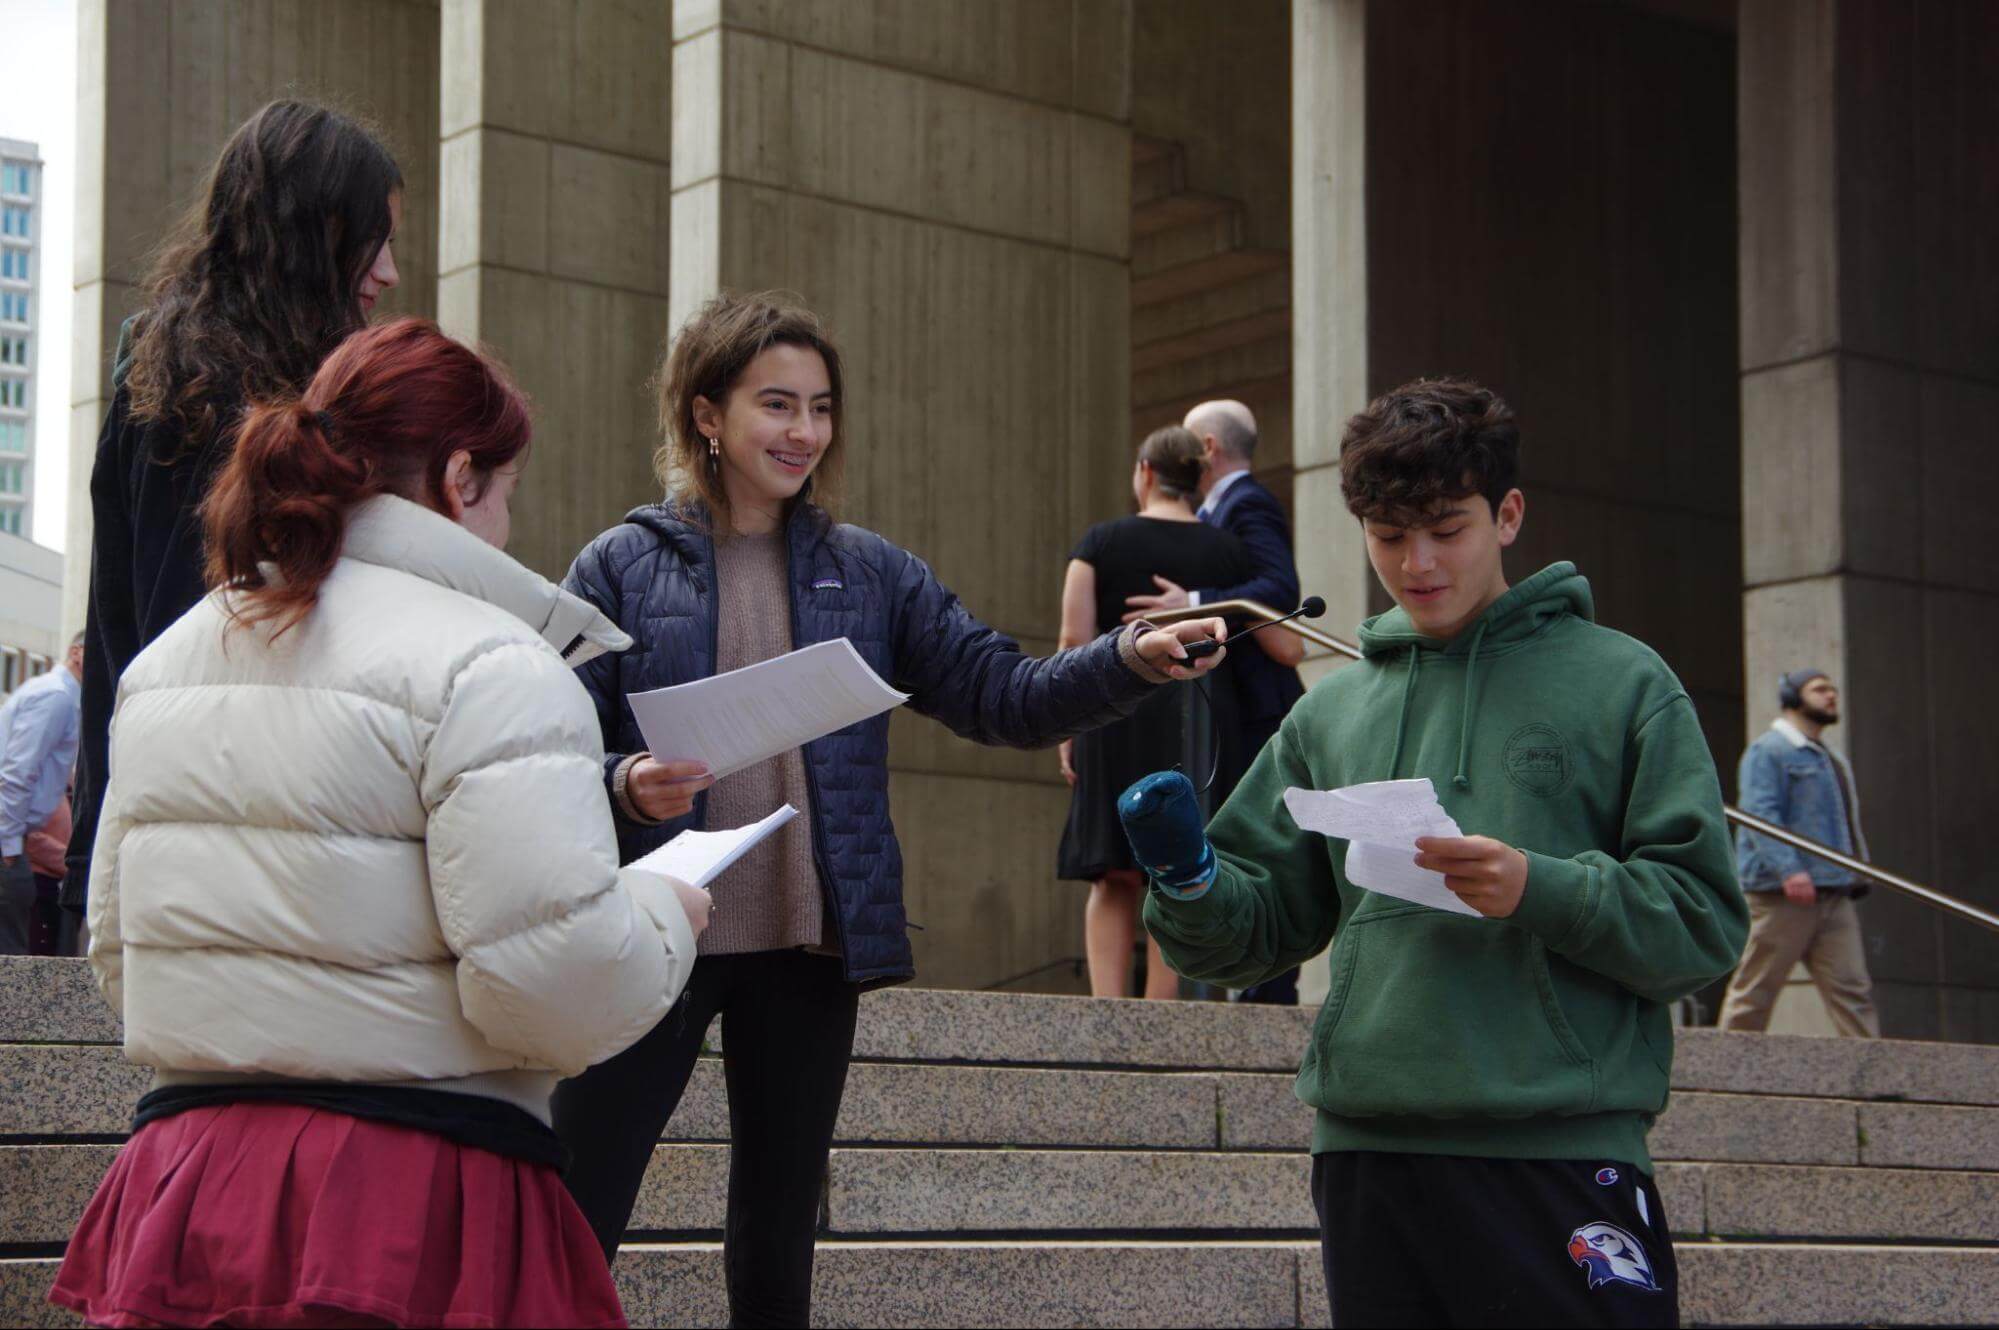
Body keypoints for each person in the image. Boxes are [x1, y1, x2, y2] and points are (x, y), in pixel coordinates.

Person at [553, 291, 1230, 1327]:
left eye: (820, 408)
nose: (803, 433)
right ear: (705, 413)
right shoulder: (620, 567)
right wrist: (620, 780)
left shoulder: (868, 572)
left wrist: (1124, 660)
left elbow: (999, 692)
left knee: (778, 1232)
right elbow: (551, 738)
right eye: (775, 404)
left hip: (808, 942)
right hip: (654, 925)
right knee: (582, 1200)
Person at [48, 319, 705, 1330]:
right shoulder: (493, 663)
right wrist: (663, 909)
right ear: (459, 476)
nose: (508, 524)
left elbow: (121, 951)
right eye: (508, 490)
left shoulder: (166, 662)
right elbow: (554, 985)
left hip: (188, 1184)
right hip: (411, 1192)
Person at [1120, 377, 1747, 1328]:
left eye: (1445, 530)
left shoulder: (1623, 683)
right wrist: (1187, 877)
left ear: (1508, 515)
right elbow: (1251, 935)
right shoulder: (1329, 711)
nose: (1415, 564)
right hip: (1368, 1155)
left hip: (1560, 1151)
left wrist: (1538, 888)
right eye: (1385, 536)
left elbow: (1702, 927)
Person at [63, 99, 403, 936]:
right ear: (314, 233)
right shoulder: (209, 394)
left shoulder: (180, 368)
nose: (389, 272)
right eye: (375, 240)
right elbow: (173, 627)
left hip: (196, 813)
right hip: (222, 829)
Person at [1057, 425, 1255, 999]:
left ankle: (1107, 1010)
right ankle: (1161, 1013)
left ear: (1145, 471)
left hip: (1111, 704)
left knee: (1110, 872)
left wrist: (1064, 727)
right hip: (1193, 714)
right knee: (1173, 865)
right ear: (1196, 479)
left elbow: (1074, 639)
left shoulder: (1101, 541)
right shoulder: (1228, 550)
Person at [1124, 399, 1307, 1003]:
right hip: (1228, 706)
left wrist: (1195, 599)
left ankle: (1266, 997)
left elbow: (1279, 587)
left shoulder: (1247, 502)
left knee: (1264, 848)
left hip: (1258, 708)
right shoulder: (1214, 511)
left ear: (1206, 446)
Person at [1717, 669, 1880, 1037]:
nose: (1831, 695)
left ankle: (1874, 1081)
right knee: (1755, 991)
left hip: (1834, 891)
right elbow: (1760, 816)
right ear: (1792, 697)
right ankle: (1724, 1078)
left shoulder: (1828, 757)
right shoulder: (1769, 750)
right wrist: (1789, 870)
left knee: (1854, 991)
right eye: (1819, 689)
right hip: (1782, 893)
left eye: (1833, 689)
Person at [0, 634, 82, 955]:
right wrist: (8, 844)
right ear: (77, 653)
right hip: (9, 843)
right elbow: (17, 773)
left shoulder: (57, 696)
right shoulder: (56, 696)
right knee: (12, 957)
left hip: (14, 841)